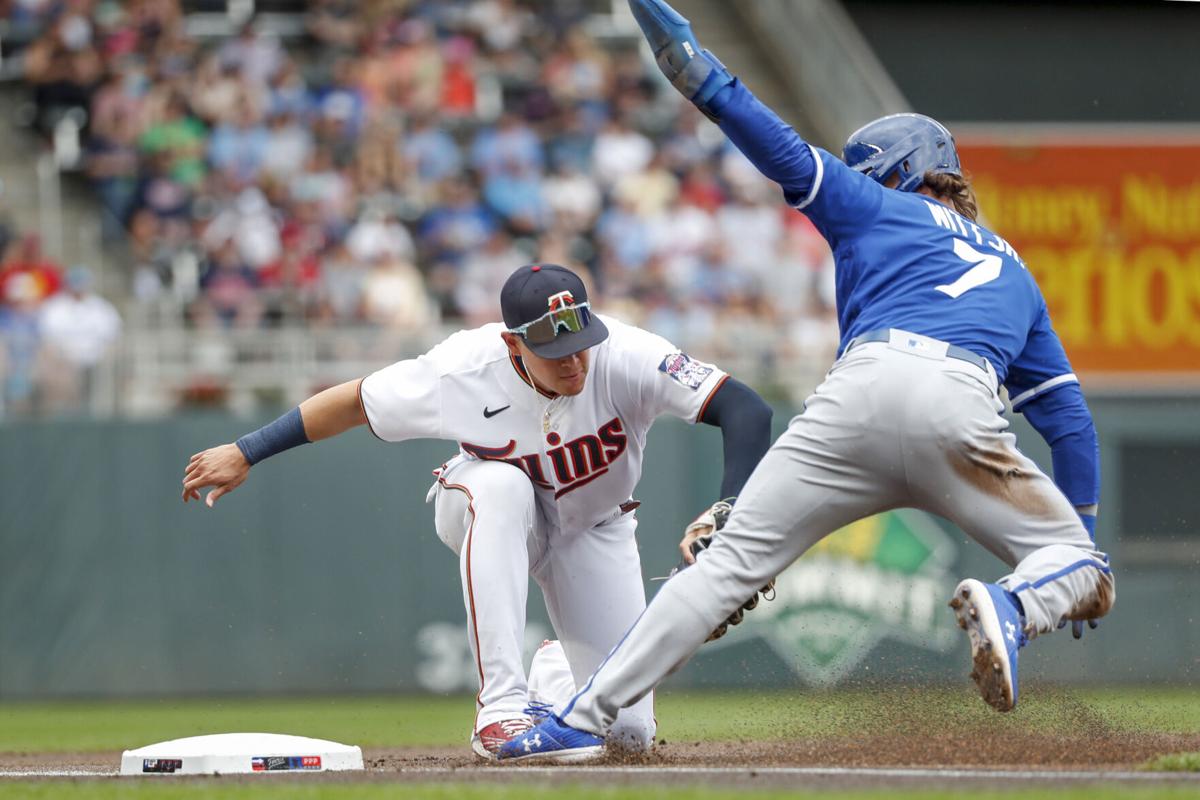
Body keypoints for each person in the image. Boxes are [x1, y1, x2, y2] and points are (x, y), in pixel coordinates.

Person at [497, 0, 1113, 762]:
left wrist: (694, 72)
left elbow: (779, 146)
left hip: (858, 395)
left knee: (723, 572)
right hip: (960, 405)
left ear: (891, 172)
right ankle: (1019, 603)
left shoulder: (874, 205)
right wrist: (1070, 559)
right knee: (1084, 564)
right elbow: (1069, 422)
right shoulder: (1014, 270)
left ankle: (575, 722)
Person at [181, 262, 773, 760]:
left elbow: (745, 409)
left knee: (626, 736)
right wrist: (246, 450)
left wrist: (730, 507)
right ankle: (502, 710)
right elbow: (353, 402)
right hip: (483, 506)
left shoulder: (629, 353)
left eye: (580, 343)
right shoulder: (460, 369)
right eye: (554, 349)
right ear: (512, 341)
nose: (574, 363)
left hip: (596, 528)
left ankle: (554, 676)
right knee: (503, 488)